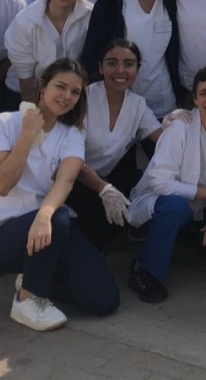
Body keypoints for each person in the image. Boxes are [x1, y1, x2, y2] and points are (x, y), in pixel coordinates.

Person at [0, 59, 120, 331]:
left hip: (48, 227)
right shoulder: (2, 123)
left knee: (104, 300)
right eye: (61, 86)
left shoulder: (71, 135)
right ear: (42, 86)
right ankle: (27, 299)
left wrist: (44, 215)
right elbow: (2, 184)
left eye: (75, 92)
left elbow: (67, 179)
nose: (67, 96)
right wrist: (28, 134)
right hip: (1, 235)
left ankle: (33, 275)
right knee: (59, 217)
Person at [127, 65, 206, 302]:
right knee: (176, 207)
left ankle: (191, 234)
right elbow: (161, 183)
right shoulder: (180, 127)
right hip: (158, 205)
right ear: (194, 98)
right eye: (204, 93)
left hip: (202, 205)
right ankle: (145, 270)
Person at [66, 39, 163, 252]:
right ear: (101, 68)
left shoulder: (138, 105)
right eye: (112, 63)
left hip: (104, 183)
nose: (120, 70)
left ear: (138, 69)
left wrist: (181, 126)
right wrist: (105, 189)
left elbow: (165, 141)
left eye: (128, 64)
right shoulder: (84, 99)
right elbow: (70, 159)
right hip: (70, 180)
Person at [80, 0, 181, 119]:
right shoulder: (111, 2)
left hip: (163, 104)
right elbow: (92, 54)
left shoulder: (171, 1)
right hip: (121, 105)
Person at [4, 0, 93, 103]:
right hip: (22, 93)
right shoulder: (26, 20)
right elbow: (24, 74)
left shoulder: (91, 15)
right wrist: (33, 109)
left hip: (70, 95)